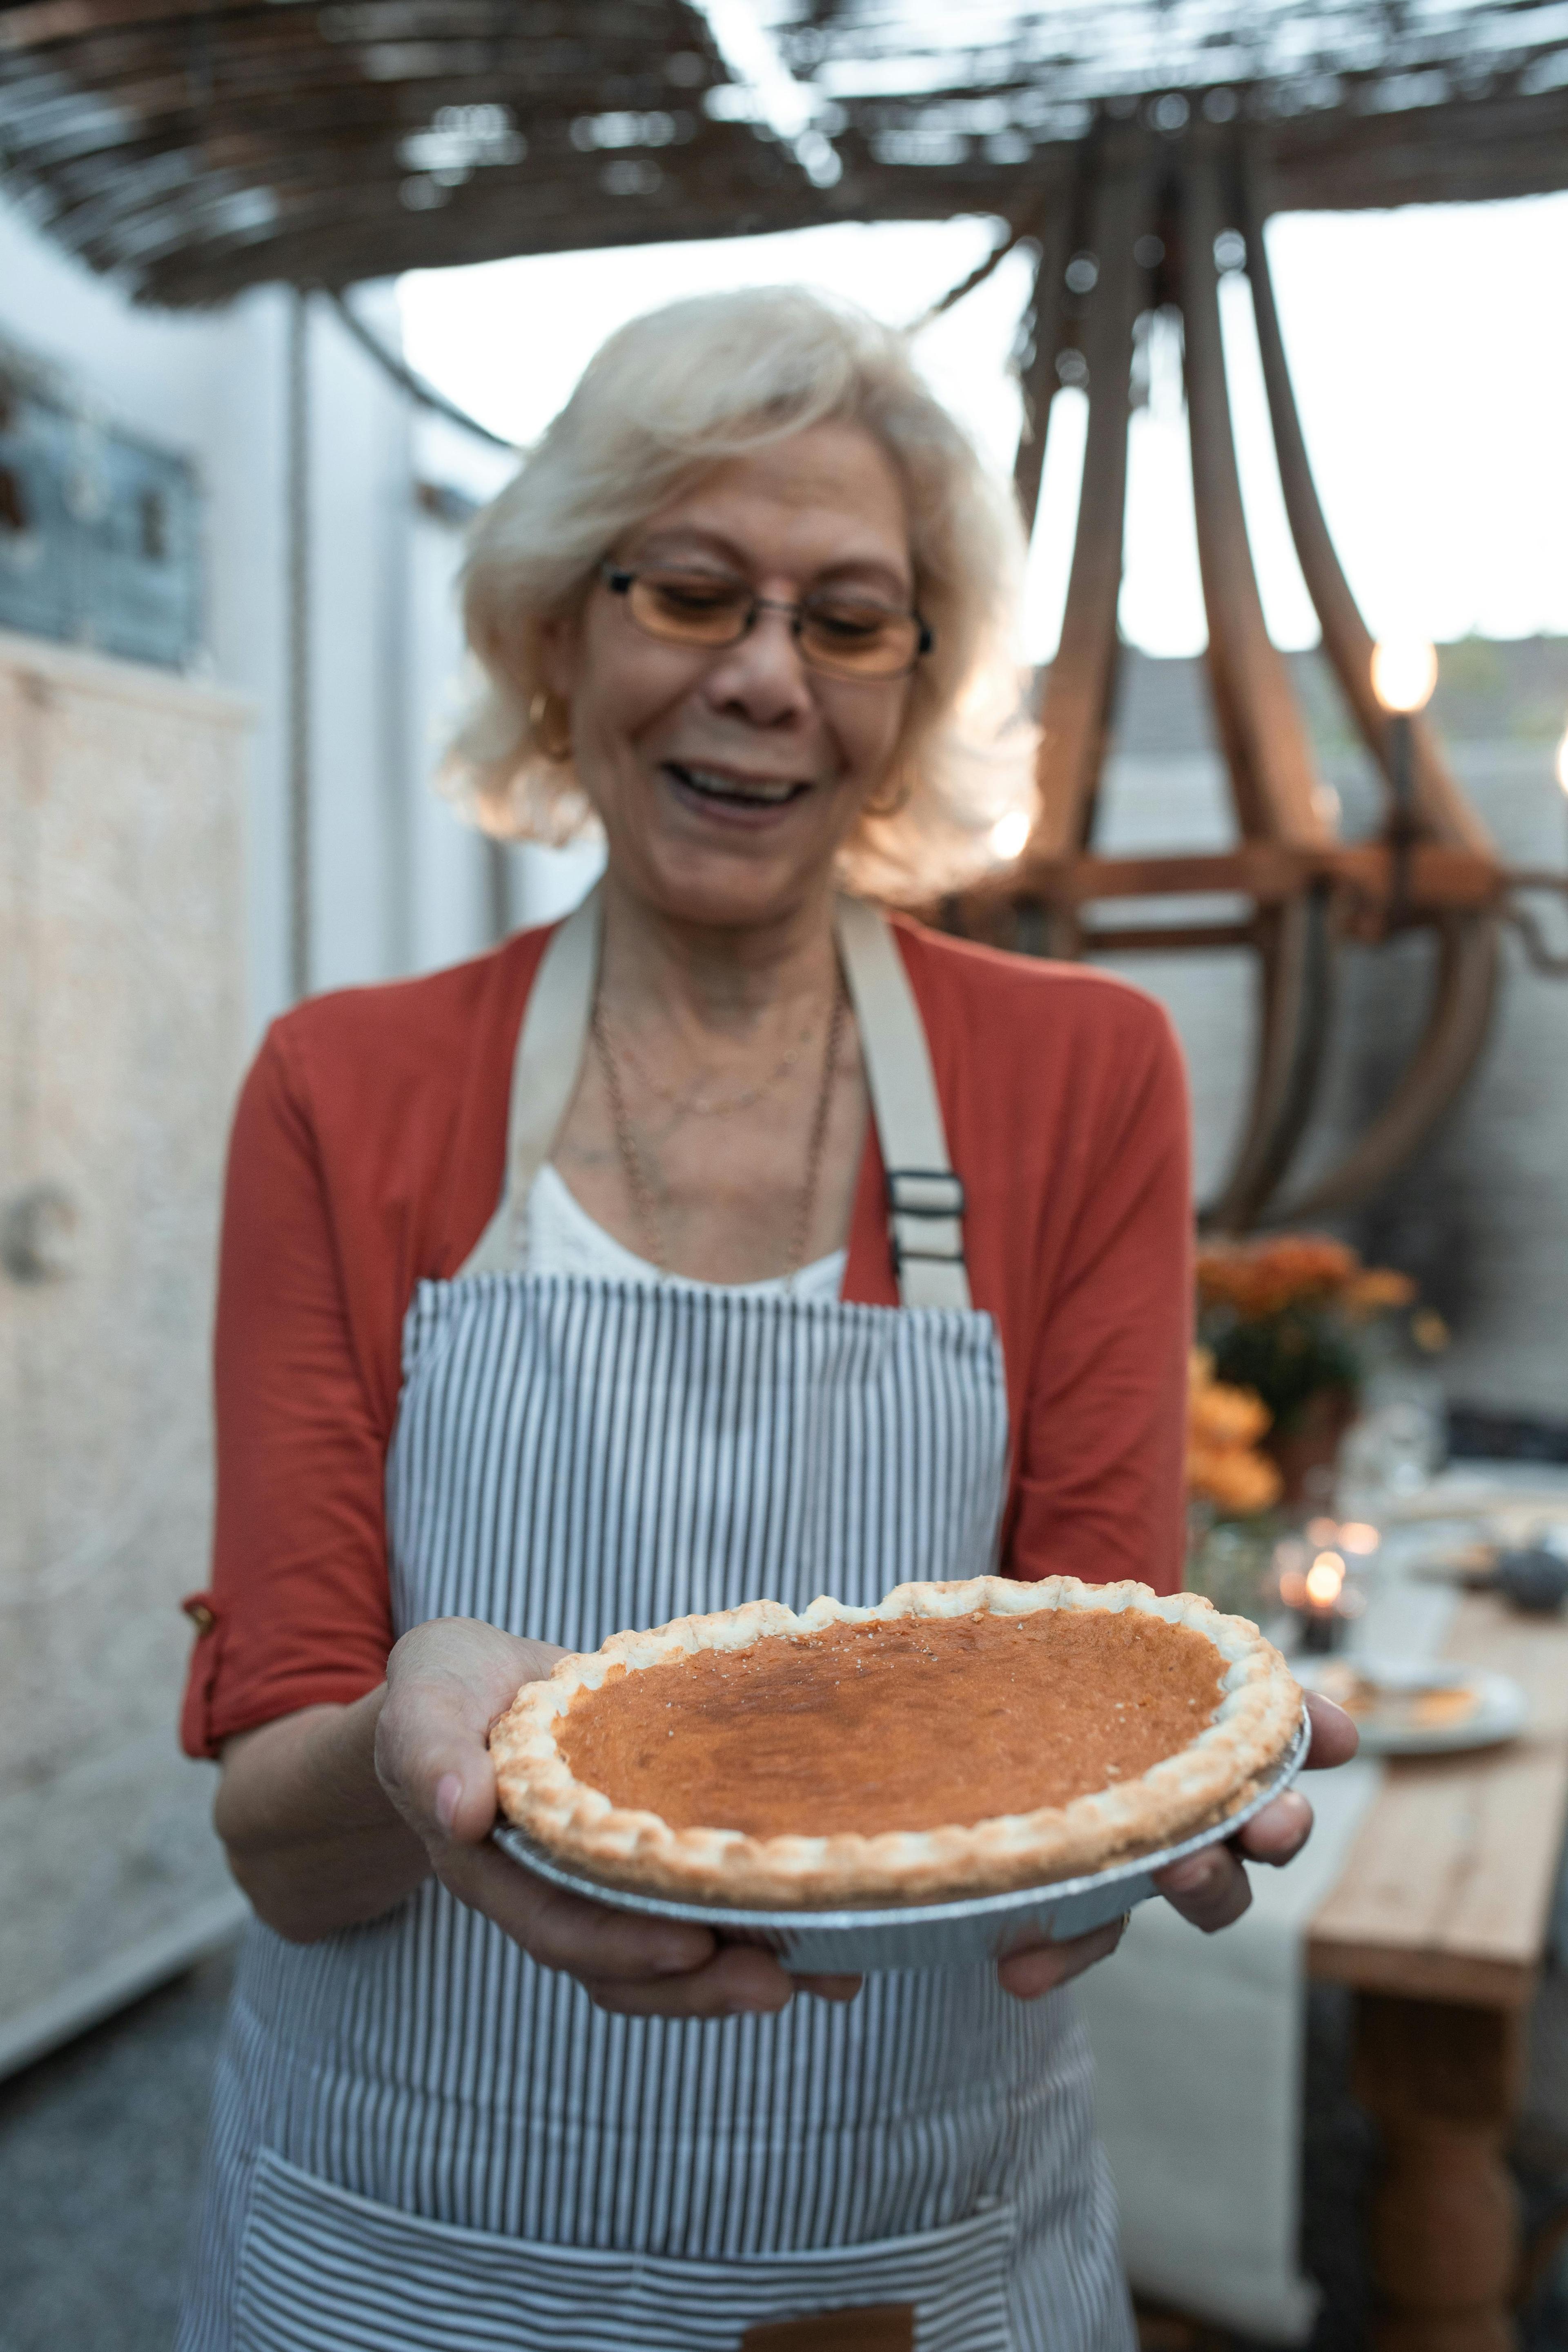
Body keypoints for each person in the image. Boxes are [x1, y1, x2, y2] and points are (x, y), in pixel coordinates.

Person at [177, 286, 1354, 2351]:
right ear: (561, 635)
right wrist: (405, 1735)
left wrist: (1148, 1812)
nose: (761, 681)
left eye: (848, 620)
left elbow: (1102, 1677)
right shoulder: (343, 1095)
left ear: (916, 683)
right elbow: (284, 1842)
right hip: (400, 2256)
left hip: (893, 2252)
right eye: (692, 592)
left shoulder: (1077, 1082)